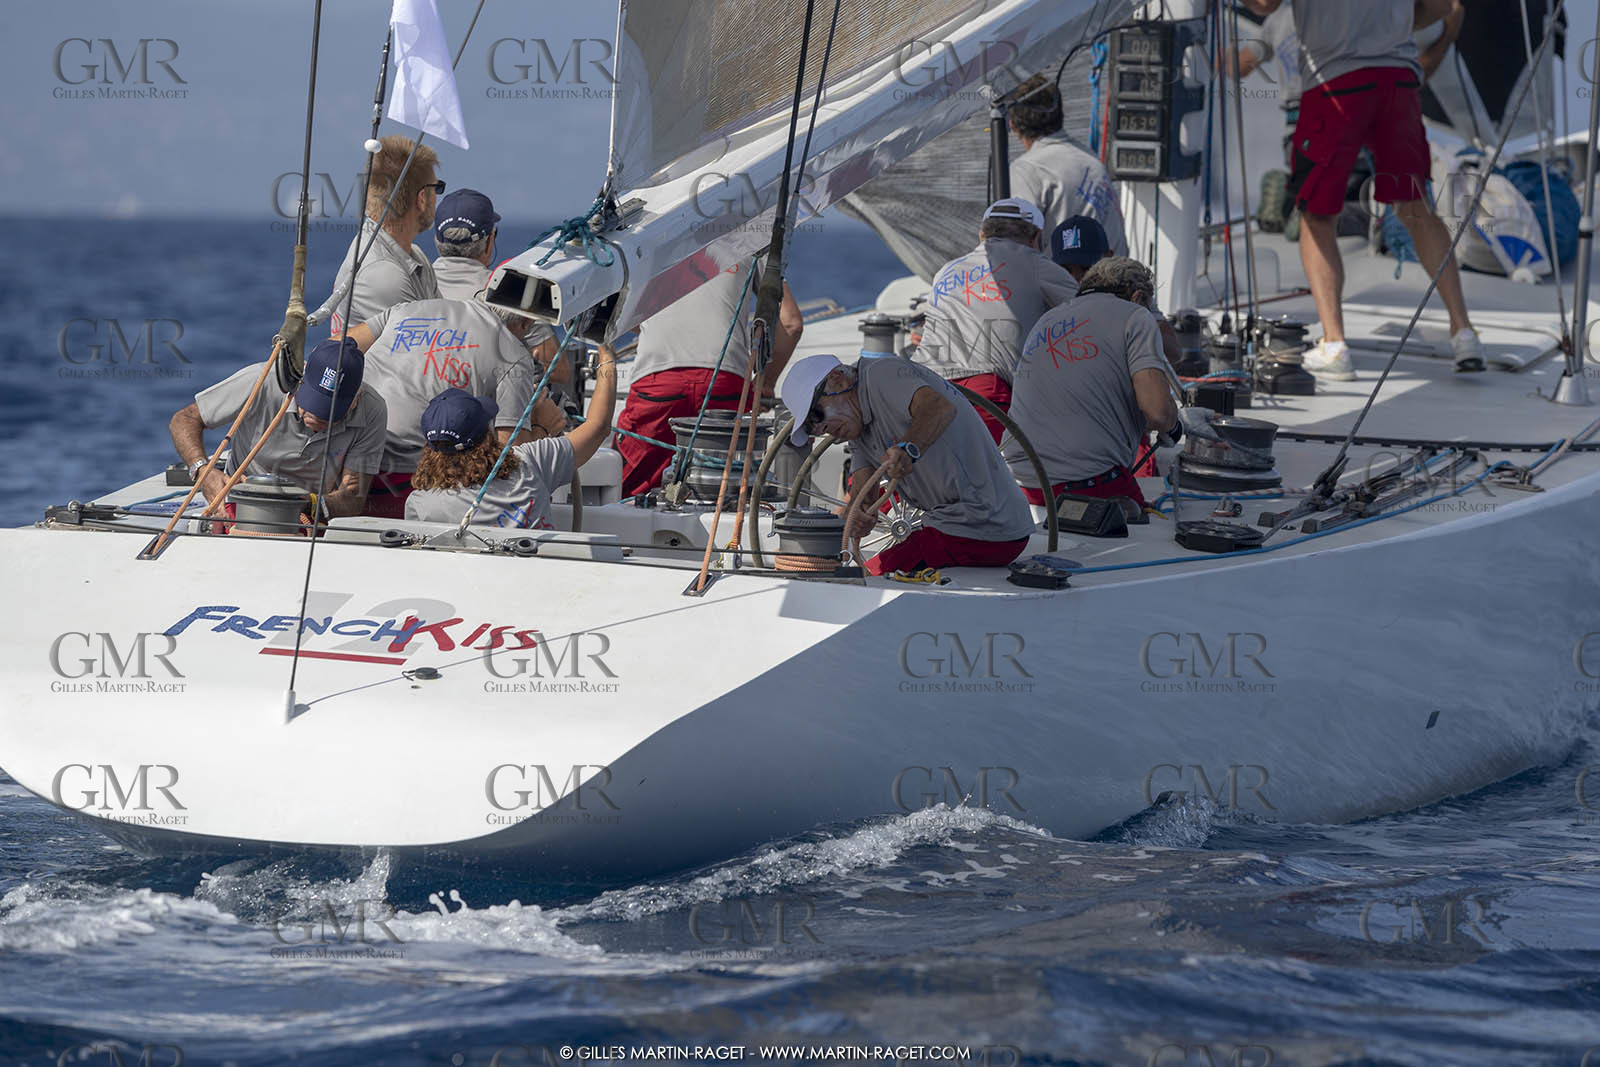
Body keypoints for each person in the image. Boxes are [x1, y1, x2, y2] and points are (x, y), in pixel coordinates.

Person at [1244, 0, 1483, 377]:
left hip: (1335, 83)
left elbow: (1262, 4)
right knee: (1416, 207)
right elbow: (1440, 7)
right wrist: (1392, 25)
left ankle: (1335, 344)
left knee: (1316, 215)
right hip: (1398, 80)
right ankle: (1463, 332)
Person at [780, 353, 1037, 576]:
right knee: (868, 575)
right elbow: (864, 496)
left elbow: (938, 408)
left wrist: (909, 449)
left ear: (838, 379)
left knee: (871, 578)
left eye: (816, 415)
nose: (820, 429)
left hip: (985, 523)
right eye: (811, 428)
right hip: (955, 526)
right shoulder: (856, 421)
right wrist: (858, 515)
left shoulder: (883, 373)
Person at [1004, 257, 1208, 512]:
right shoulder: (1136, 316)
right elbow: (1157, 413)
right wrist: (1175, 422)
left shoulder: (1047, 320)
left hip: (1019, 485)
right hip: (1083, 485)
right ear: (1138, 297)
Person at [344, 297, 567, 517]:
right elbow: (510, 458)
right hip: (407, 480)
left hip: (346, 455)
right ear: (525, 324)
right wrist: (543, 427)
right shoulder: (515, 355)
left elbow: (337, 346)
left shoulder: (406, 309)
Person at [615, 261, 804, 497]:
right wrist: (765, 382)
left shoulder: (651, 239)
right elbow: (791, 323)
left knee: (629, 488)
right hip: (725, 378)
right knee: (724, 489)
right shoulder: (756, 239)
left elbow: (617, 317)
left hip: (659, 380)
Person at [913, 198, 1078, 445]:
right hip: (986, 393)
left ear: (981, 236)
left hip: (924, 387)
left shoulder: (945, 270)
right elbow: (1089, 310)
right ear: (1036, 238)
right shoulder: (1037, 264)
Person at [170, 337, 387, 522]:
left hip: (308, 515)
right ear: (300, 379)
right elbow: (185, 419)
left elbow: (352, 497)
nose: (315, 415)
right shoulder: (261, 379)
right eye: (312, 401)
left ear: (356, 400)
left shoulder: (372, 410)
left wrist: (309, 503)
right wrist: (202, 471)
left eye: (329, 411)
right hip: (239, 503)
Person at [406, 345, 618, 529]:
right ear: (485, 435)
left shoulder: (420, 503)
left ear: (430, 447)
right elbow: (598, 427)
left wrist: (541, 431)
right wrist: (606, 354)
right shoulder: (529, 462)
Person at [431, 187, 569, 401]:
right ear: (490, 240)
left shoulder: (414, 284)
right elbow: (558, 371)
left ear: (436, 240)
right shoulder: (509, 293)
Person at [312, 135, 444, 335]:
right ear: (422, 198)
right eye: (437, 188)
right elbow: (425, 354)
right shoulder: (383, 275)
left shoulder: (414, 255)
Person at [1007, 74, 1128, 259]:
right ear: (1061, 114)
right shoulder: (1092, 162)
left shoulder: (1026, 170)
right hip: (1115, 280)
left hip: (1070, 283)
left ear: (1012, 124)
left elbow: (1018, 249)